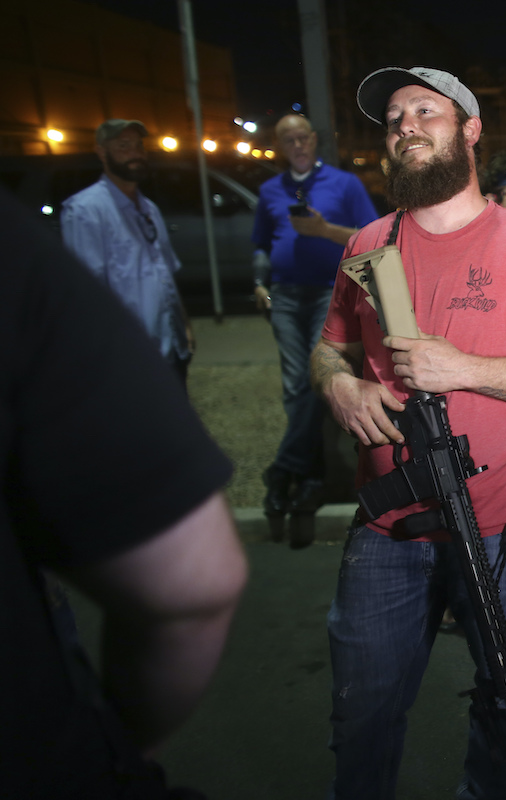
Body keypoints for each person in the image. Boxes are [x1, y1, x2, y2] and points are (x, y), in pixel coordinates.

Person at [312, 66, 506, 800]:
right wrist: (339, 385)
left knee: (505, 705)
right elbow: (329, 346)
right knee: (362, 713)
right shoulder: (369, 244)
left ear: (469, 130)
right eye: (394, 116)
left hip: (505, 525)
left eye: (425, 111)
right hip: (388, 525)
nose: (405, 125)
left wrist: (462, 367)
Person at [1, 187, 247, 798]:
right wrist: (121, 744)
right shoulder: (49, 230)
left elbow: (160, 269)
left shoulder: (147, 205)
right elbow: (193, 579)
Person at [251, 114, 379, 548]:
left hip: (330, 292)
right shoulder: (270, 190)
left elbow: (371, 236)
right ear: (280, 145)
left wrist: (324, 231)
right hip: (285, 297)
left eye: (302, 136)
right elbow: (261, 242)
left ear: (315, 139)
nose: (297, 145)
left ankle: (288, 471)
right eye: (288, 139)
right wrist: (258, 282)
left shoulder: (345, 184)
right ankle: (305, 473)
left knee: (312, 380)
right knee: (294, 386)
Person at [61, 119, 194, 383]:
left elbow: (165, 274)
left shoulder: (149, 209)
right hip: (129, 356)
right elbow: (86, 293)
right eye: (123, 146)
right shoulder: (85, 211)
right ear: (101, 151)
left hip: (171, 348)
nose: (135, 153)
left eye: (138, 146)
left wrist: (185, 327)